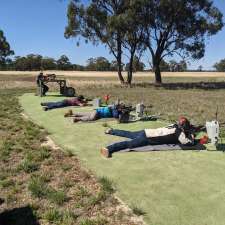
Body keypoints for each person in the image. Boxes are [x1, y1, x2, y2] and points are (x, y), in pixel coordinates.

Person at [101, 117, 195, 158]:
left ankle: (111, 130)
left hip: (146, 131)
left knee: (128, 134)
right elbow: (187, 143)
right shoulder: (178, 132)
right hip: (148, 138)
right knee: (129, 144)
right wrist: (192, 136)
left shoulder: (173, 125)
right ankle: (108, 149)